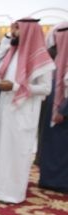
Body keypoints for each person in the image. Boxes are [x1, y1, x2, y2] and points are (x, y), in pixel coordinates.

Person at [0, 18, 55, 203]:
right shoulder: (13, 52)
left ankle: (9, 193)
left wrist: (16, 87)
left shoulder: (41, 58)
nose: (13, 33)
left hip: (23, 112)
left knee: (14, 152)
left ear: (28, 32)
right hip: (5, 109)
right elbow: (6, 79)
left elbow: (45, 89)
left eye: (16, 29)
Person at [39, 23, 68, 192]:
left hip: (63, 111)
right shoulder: (59, 59)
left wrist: (62, 110)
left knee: (60, 148)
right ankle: (51, 179)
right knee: (52, 146)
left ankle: (58, 182)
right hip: (56, 106)